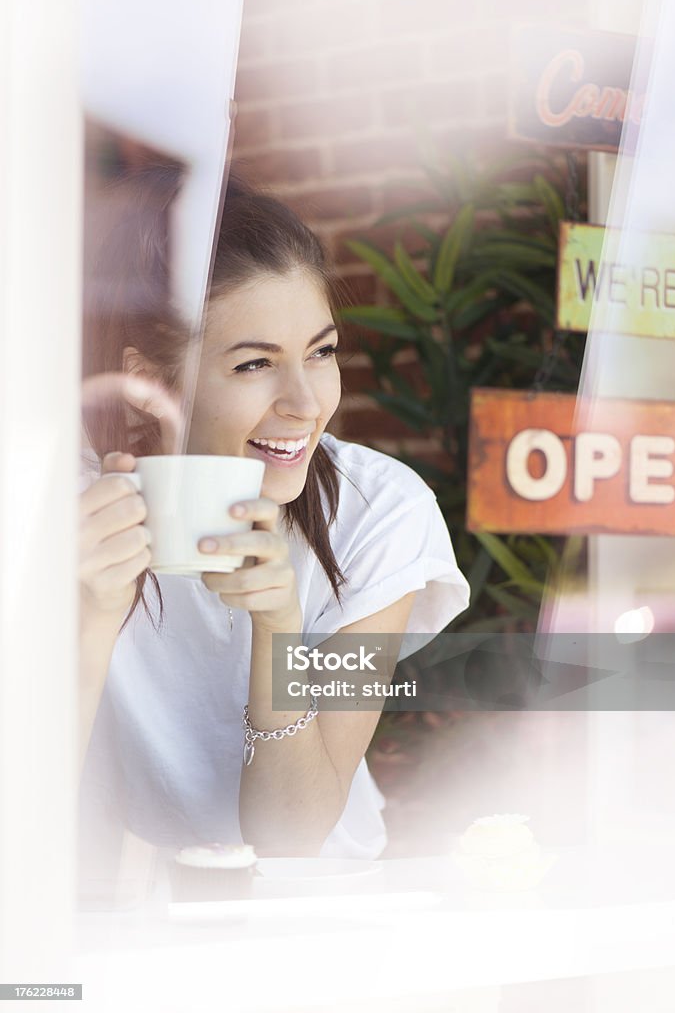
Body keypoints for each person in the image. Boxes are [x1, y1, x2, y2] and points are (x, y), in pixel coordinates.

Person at [79, 179, 470, 868]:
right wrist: (90, 611)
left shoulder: (380, 513)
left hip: (311, 909)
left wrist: (279, 626)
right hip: (119, 912)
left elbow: (293, 839)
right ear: (151, 384)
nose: (305, 402)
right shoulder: (70, 505)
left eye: (321, 352)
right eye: (255, 363)